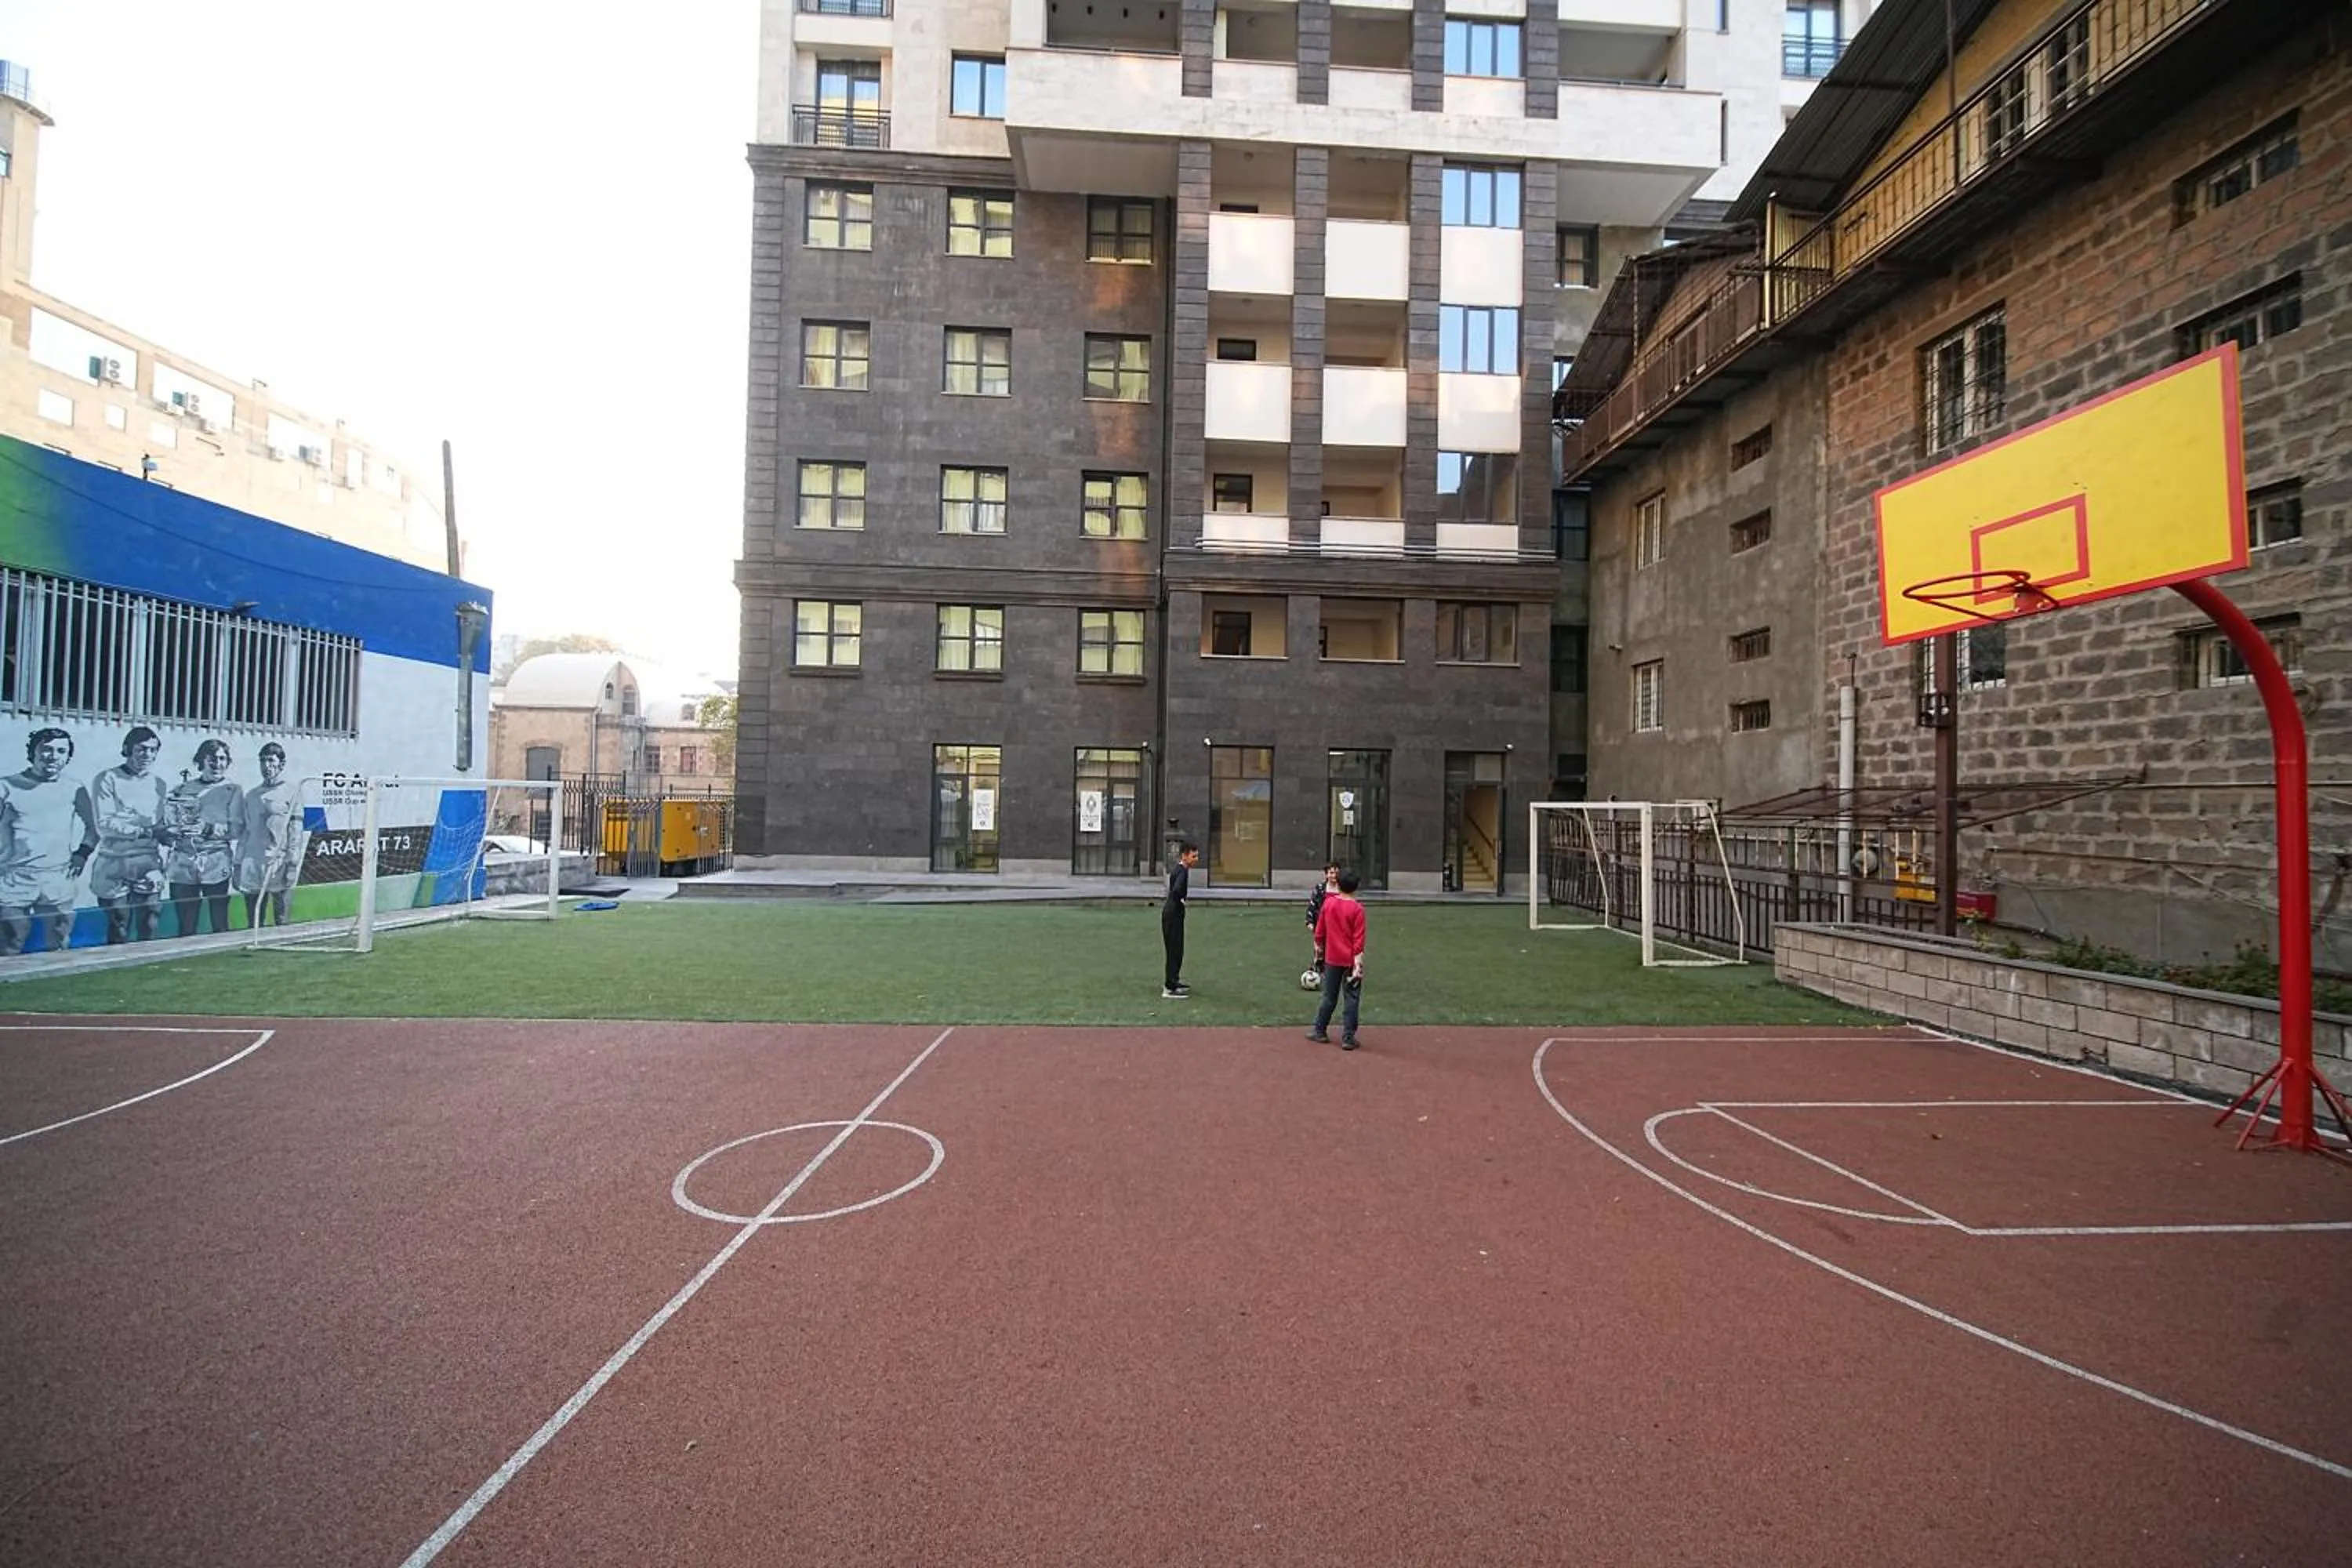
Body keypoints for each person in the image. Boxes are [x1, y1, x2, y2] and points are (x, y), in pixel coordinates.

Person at [0, 728, 99, 956]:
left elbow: (94, 829)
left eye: (60, 751)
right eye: (46, 749)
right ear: (33, 752)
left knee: (57, 944)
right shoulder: (7, 787)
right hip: (13, 878)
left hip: (57, 877)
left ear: (67, 757)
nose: (53, 756)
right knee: (11, 942)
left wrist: (82, 853)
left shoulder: (75, 788)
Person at [91, 726, 170, 945]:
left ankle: (148, 968)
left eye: (153, 750)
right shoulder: (107, 778)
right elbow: (104, 824)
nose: (147, 755)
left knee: (151, 918)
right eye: (142, 749)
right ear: (128, 749)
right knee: (119, 922)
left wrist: (173, 836)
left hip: (147, 861)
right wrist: (144, 831)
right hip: (113, 861)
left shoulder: (159, 784)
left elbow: (160, 824)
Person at [165, 739, 243, 937]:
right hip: (184, 862)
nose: (218, 764)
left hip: (216, 861)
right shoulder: (181, 790)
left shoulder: (233, 790)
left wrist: (207, 828)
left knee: (219, 923)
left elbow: (237, 829)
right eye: (213, 759)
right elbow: (169, 823)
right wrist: (174, 830)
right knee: (186, 926)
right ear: (202, 760)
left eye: (223, 759)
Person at [235, 742, 305, 930]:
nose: (267, 766)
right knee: (254, 920)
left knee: (281, 918)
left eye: (271, 761)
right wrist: (238, 864)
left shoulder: (292, 792)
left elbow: (296, 832)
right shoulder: (251, 795)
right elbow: (245, 832)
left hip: (278, 862)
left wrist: (292, 863)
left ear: (281, 765)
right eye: (263, 761)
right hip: (253, 861)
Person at [1307, 868, 1367, 1050]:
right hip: (1349, 960)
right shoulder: (1358, 909)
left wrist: (1318, 954)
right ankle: (1348, 1037)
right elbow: (1359, 940)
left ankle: (1320, 1030)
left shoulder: (1329, 904)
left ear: (1338, 884)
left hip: (1331, 958)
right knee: (1351, 999)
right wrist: (1358, 965)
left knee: (1329, 997)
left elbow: (1320, 933)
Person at [1161, 841, 1198, 999]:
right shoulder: (1182, 871)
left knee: (1176, 950)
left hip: (1171, 914)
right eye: (1193, 856)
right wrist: (1181, 901)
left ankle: (1173, 981)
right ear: (1184, 855)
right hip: (1173, 915)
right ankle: (1170, 987)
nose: (1196, 859)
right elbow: (1176, 890)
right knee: (1175, 950)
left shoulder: (1180, 869)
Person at [1305, 861, 1340, 982]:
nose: (1334, 876)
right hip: (1322, 923)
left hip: (1337, 925)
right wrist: (1310, 922)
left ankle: (1334, 971)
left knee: (1334, 948)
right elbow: (1312, 905)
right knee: (1319, 949)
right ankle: (1317, 970)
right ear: (1326, 874)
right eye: (1331, 873)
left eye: (1336, 873)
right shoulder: (1320, 888)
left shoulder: (1342, 888)